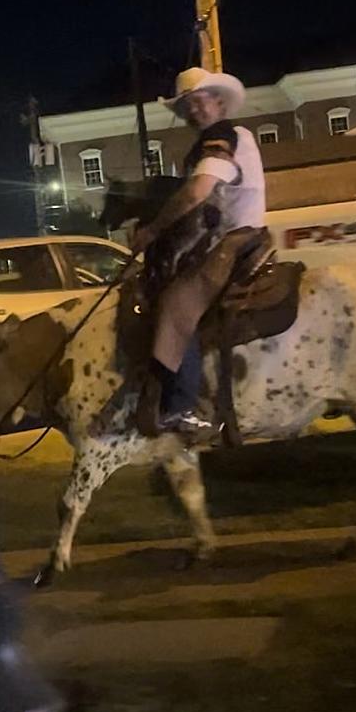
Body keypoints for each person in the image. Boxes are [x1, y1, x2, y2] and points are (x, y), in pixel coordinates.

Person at [132, 67, 268, 439]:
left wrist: (153, 230)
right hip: (227, 236)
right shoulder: (219, 138)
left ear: (218, 102)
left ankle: (181, 406)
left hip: (236, 239)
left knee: (177, 300)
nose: (193, 111)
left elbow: (197, 193)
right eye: (187, 106)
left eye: (198, 101)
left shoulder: (222, 136)